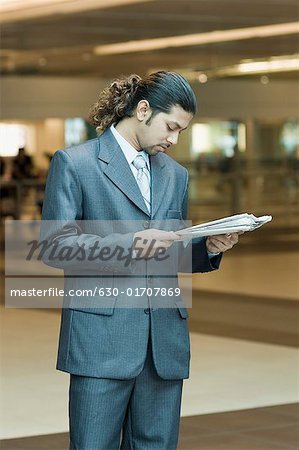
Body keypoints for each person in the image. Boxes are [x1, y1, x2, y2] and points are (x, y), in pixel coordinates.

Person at [41, 71, 239, 450]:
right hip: (101, 341)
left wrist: (208, 248)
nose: (173, 139)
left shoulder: (175, 176)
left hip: (163, 343)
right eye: (170, 127)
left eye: (181, 131)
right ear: (143, 110)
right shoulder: (75, 164)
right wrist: (131, 243)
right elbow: (55, 247)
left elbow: (168, 252)